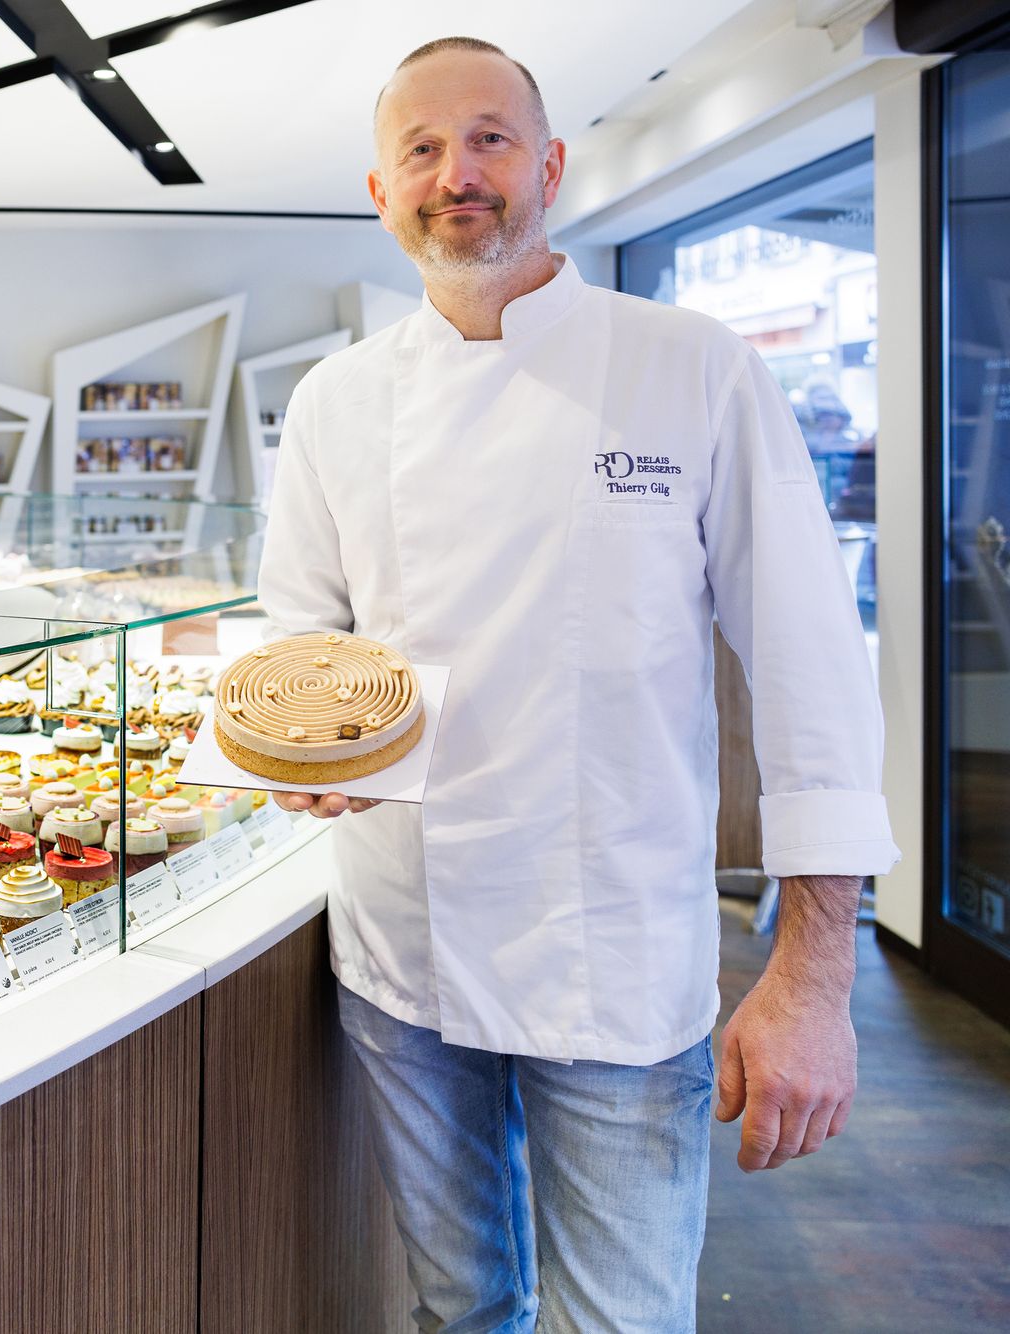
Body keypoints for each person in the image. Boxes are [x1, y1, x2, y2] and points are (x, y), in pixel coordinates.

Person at [257, 36, 897, 1333]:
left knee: (620, 1320)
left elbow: (814, 674)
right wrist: (302, 768)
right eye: (423, 150)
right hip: (402, 954)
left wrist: (814, 972)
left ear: (549, 164)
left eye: (491, 138)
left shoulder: (692, 365)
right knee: (457, 1307)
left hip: (614, 958)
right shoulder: (335, 401)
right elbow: (300, 645)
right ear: (381, 192)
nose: (460, 174)